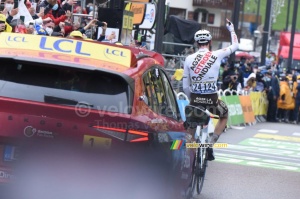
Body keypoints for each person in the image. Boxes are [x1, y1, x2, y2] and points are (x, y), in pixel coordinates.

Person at [183, 18, 238, 161]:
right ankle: (210, 144)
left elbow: (185, 86)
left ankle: (188, 156)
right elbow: (235, 45)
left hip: (195, 100)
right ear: (210, 42)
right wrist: (231, 29)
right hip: (212, 101)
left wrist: (191, 99)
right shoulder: (216, 54)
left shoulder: (189, 59)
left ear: (196, 43)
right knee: (224, 115)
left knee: (191, 127)